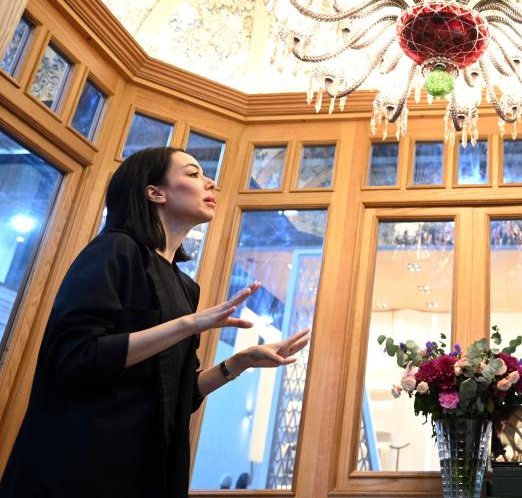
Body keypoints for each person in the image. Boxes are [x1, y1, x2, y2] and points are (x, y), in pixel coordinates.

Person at [0, 147, 311, 498]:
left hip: (145, 473)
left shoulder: (185, 286)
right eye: (193, 174)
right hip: (78, 469)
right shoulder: (114, 250)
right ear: (155, 192)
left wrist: (241, 361)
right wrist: (187, 325)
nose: (211, 182)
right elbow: (75, 356)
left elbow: (181, 395)